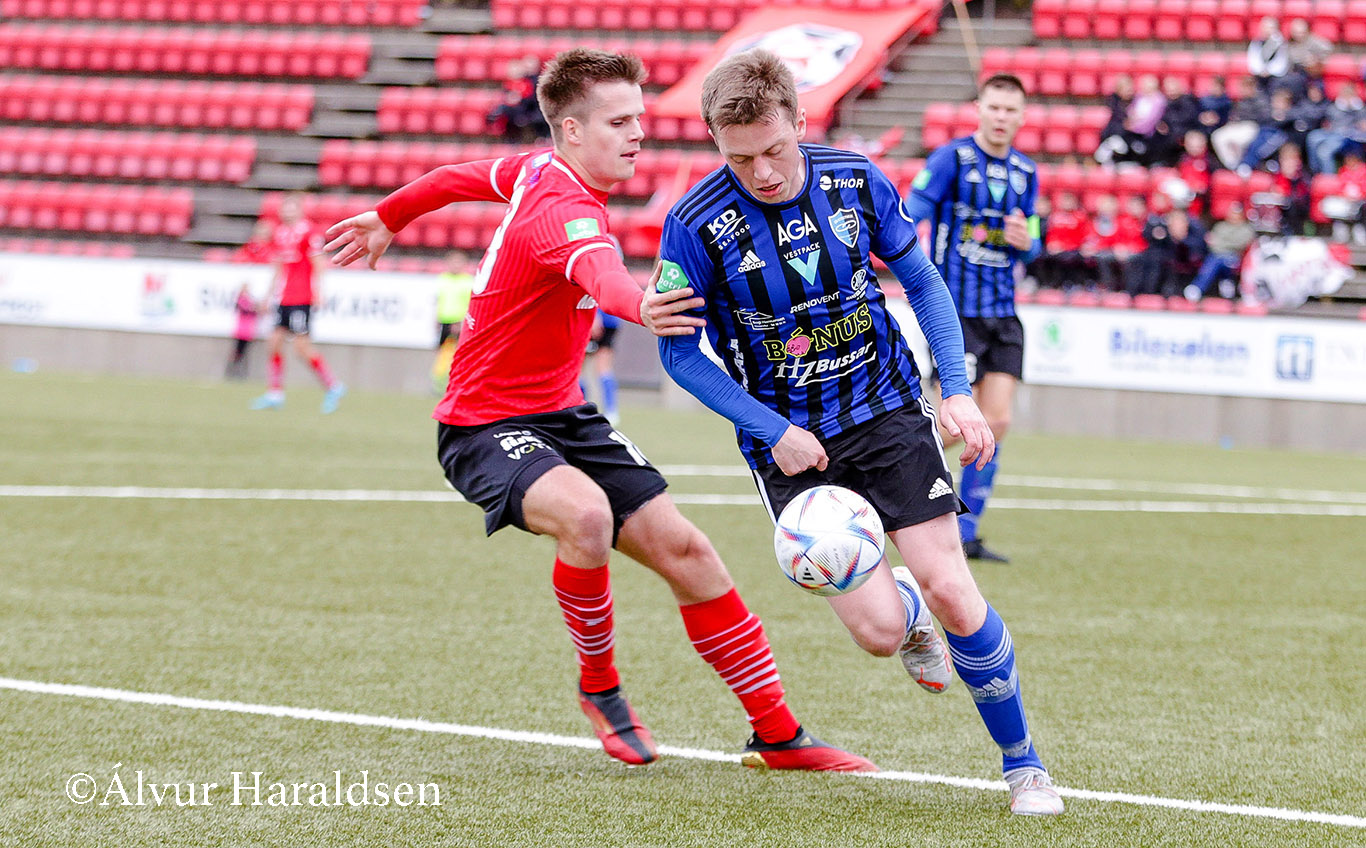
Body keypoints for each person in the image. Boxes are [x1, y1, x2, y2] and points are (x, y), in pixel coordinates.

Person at [322, 48, 874, 774]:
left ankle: (779, 736)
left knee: (689, 554)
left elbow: (454, 177)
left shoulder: (536, 170)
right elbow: (601, 273)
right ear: (574, 131)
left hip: (563, 414)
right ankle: (600, 687)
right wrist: (641, 306)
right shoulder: (565, 209)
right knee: (585, 517)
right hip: (483, 424)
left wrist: (388, 216)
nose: (638, 133)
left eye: (639, 118)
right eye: (620, 122)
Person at [650, 50, 1063, 816]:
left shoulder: (854, 179)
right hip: (788, 444)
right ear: (715, 142)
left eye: (775, 150)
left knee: (953, 588)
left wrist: (957, 391)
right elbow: (678, 353)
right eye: (740, 158)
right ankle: (905, 612)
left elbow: (924, 282)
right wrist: (771, 428)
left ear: (802, 122)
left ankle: (1025, 766)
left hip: (886, 407)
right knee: (878, 632)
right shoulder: (694, 223)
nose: (762, 172)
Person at [903, 73, 1043, 565]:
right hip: (954, 312)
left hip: (1003, 313)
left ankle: (967, 533)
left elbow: (1034, 240)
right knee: (954, 423)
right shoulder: (952, 159)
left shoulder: (1026, 172)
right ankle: (894, 475)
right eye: (994, 107)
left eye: (1010, 109)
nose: (1002, 117)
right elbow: (912, 210)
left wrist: (1028, 241)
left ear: (1022, 117)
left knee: (996, 421)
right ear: (980, 109)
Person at [250, 193, 347, 414]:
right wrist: (268, 295)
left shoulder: (309, 232)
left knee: (301, 348)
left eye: (292, 208)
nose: (288, 212)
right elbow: (278, 266)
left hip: (302, 297)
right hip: (285, 297)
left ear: (300, 210)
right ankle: (275, 393)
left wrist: (319, 291)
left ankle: (333, 386)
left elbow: (319, 263)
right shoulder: (280, 233)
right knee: (274, 342)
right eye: (285, 208)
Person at [1127, 208, 1208, 296]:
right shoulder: (1165, 233)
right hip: (1167, 261)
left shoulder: (1194, 231)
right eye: (1175, 221)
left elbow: (1199, 247)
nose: (1178, 224)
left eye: (1180, 221)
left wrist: (1182, 240)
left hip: (1187, 261)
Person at [1185, 202, 1256, 301]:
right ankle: (1221, 284)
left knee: (1219, 260)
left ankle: (1199, 286)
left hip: (1235, 257)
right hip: (1217, 254)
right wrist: (1225, 244)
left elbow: (1239, 245)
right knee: (1214, 260)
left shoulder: (1246, 229)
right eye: (1232, 213)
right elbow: (1212, 243)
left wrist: (1222, 244)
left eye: (1236, 214)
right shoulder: (1221, 226)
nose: (1233, 216)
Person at [433, 250, 476, 392]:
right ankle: (439, 383)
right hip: (443, 321)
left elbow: (469, 303)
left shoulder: (468, 281)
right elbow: (439, 301)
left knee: (457, 354)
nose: (455, 265)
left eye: (459, 262)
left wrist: (460, 322)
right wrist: (436, 319)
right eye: (453, 262)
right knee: (442, 353)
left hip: (458, 323)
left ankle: (454, 383)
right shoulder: (443, 279)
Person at [584, 310, 621, 425]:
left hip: (595, 318)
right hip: (610, 318)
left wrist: (595, 316)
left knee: (581, 368)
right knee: (603, 367)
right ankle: (611, 411)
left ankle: (609, 410)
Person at [226, 283, 260, 380]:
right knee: (237, 352)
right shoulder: (241, 300)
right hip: (241, 332)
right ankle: (231, 371)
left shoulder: (250, 300)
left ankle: (240, 373)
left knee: (243, 353)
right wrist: (256, 308)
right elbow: (249, 309)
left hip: (248, 332)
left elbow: (255, 310)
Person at [1248, 17, 1290, 93]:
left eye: (1271, 28)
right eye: (1265, 27)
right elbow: (1253, 59)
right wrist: (1261, 70)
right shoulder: (1256, 42)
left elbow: (1282, 62)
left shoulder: (1281, 43)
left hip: (1275, 76)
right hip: (1259, 75)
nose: (1268, 30)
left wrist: (1269, 71)